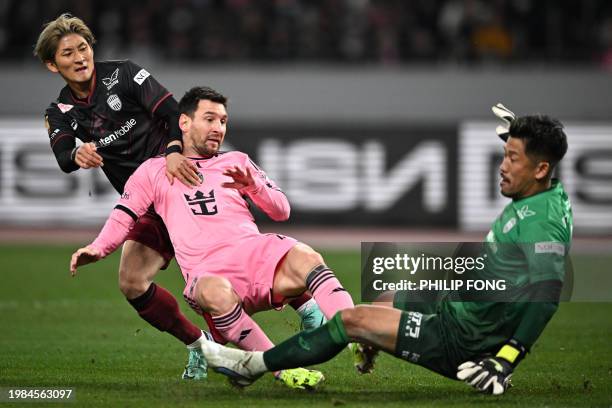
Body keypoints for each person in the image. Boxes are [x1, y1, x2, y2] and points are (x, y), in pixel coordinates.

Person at [197, 105, 572, 396]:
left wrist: (506, 359)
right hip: (463, 305)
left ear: (540, 169)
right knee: (385, 293)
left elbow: (548, 294)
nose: (503, 166)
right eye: (505, 154)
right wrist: (522, 132)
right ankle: (373, 339)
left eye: (513, 158)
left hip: (463, 338)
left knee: (350, 321)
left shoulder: (542, 220)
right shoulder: (541, 192)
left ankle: (252, 366)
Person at [35, 14, 325, 384]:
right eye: (67, 53)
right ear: (51, 64)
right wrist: (77, 155)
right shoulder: (60, 111)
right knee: (132, 282)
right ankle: (199, 345)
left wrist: (174, 151)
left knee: (229, 259)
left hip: (185, 180)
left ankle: (305, 307)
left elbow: (174, 113)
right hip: (149, 200)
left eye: (83, 48)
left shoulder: (123, 75)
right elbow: (62, 156)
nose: (79, 57)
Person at [69, 86, 363, 389]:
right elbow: (124, 214)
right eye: (209, 119)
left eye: (223, 121)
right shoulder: (153, 171)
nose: (218, 128)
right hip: (210, 273)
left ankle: (356, 334)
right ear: (184, 123)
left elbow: (281, 210)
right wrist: (98, 248)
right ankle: (282, 368)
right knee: (212, 292)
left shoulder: (236, 160)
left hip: (256, 255)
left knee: (308, 257)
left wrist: (254, 187)